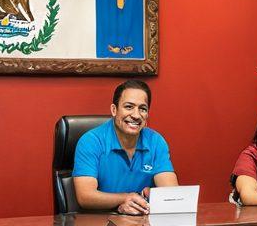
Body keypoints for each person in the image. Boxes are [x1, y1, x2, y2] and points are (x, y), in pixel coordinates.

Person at [72, 79, 178, 215]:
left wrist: (154, 195)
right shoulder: (91, 141)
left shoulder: (156, 141)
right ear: (114, 110)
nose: (136, 115)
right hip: (98, 224)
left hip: (144, 224)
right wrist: (125, 199)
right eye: (129, 107)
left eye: (142, 109)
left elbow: (172, 194)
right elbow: (85, 196)